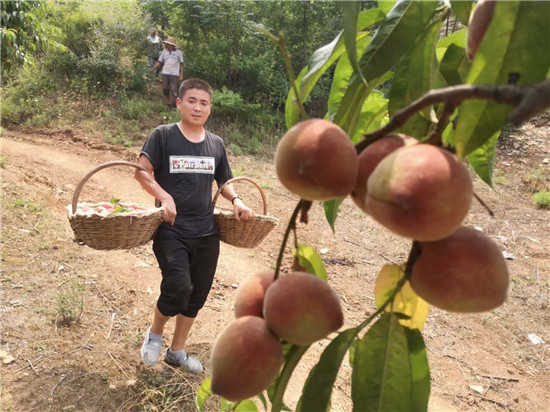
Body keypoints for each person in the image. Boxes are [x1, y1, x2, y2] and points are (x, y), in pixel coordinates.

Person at [135, 78, 254, 373]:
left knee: (196, 294)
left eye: (204, 103)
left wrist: (237, 200)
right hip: (171, 229)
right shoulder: (162, 136)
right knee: (178, 285)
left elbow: (224, 181)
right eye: (191, 101)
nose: (197, 107)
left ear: (210, 108)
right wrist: (163, 197)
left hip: (206, 232)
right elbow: (142, 172)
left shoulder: (216, 144)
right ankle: (156, 333)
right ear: (179, 103)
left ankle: (176, 352)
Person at [152, 36, 184, 109]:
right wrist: (152, 69)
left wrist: (181, 74)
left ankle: (173, 106)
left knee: (173, 89)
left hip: (174, 74)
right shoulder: (164, 52)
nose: (168, 45)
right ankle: (168, 102)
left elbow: (182, 64)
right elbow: (159, 62)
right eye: (167, 44)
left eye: (170, 44)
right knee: (165, 88)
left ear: (173, 45)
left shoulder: (178, 52)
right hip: (165, 73)